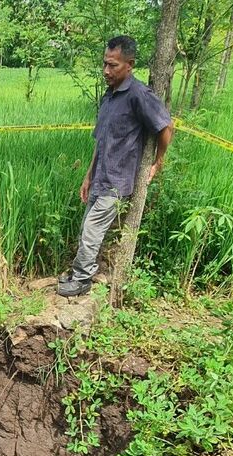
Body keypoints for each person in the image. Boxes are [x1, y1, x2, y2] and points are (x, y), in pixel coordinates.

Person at [57, 35, 174, 298]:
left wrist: (158, 163)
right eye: (105, 64)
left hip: (117, 181)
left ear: (129, 64)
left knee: (91, 230)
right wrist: (88, 176)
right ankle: (81, 271)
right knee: (86, 227)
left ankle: (82, 280)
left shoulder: (138, 95)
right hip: (100, 176)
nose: (106, 71)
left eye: (113, 65)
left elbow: (166, 126)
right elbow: (101, 141)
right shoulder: (108, 97)